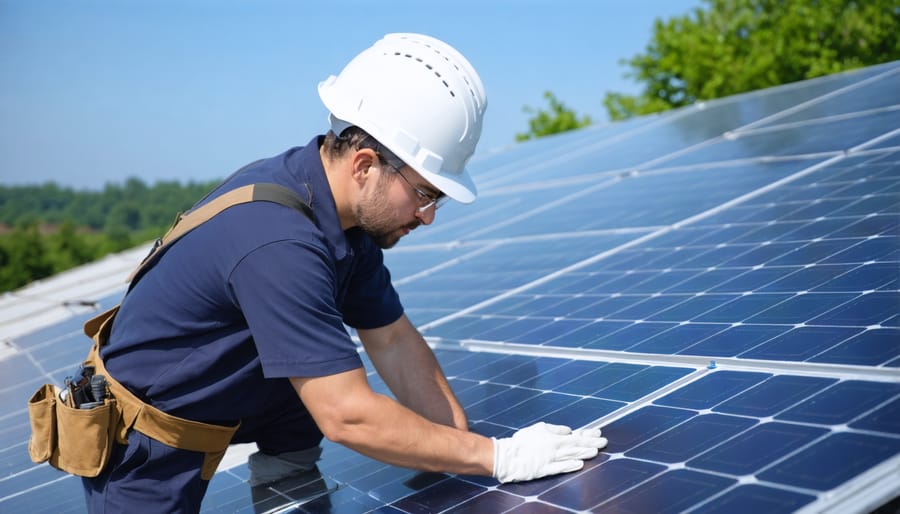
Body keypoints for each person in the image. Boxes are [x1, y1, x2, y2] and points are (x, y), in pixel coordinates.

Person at [80, 33, 607, 512]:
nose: (427, 216)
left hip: (251, 395)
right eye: (424, 193)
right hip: (149, 437)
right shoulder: (279, 241)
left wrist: (458, 446)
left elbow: (394, 339)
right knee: (331, 390)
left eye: (438, 199)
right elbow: (347, 415)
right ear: (364, 164)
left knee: (318, 370)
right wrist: (498, 458)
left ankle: (285, 486)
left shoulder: (343, 216)